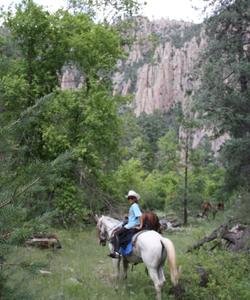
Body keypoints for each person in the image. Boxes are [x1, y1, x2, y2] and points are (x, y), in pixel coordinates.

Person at [108, 190, 143, 258]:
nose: (130, 199)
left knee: (116, 234)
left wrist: (140, 225)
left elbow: (140, 215)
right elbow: (134, 216)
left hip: (131, 225)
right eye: (129, 198)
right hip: (131, 224)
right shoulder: (133, 206)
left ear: (135, 199)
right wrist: (128, 217)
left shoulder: (134, 205)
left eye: (132, 198)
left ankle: (117, 252)